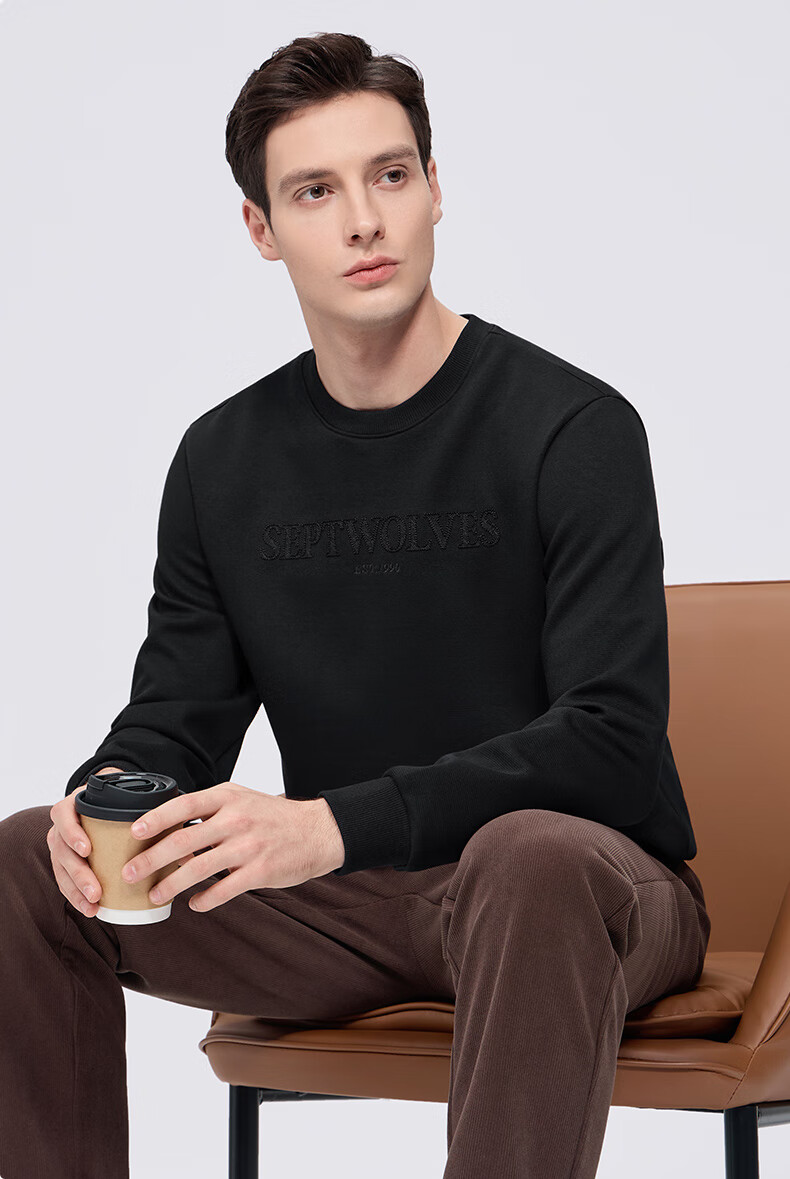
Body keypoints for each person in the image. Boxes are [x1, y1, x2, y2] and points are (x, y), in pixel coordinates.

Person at [0, 31, 711, 1179]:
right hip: (343, 907)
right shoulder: (223, 461)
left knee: (524, 857)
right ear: (260, 228)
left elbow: (608, 743)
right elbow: (176, 721)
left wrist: (327, 824)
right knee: (27, 860)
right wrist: (106, 805)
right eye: (314, 191)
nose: (364, 221)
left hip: (588, 895)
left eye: (389, 175)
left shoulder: (573, 429)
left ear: (434, 189)